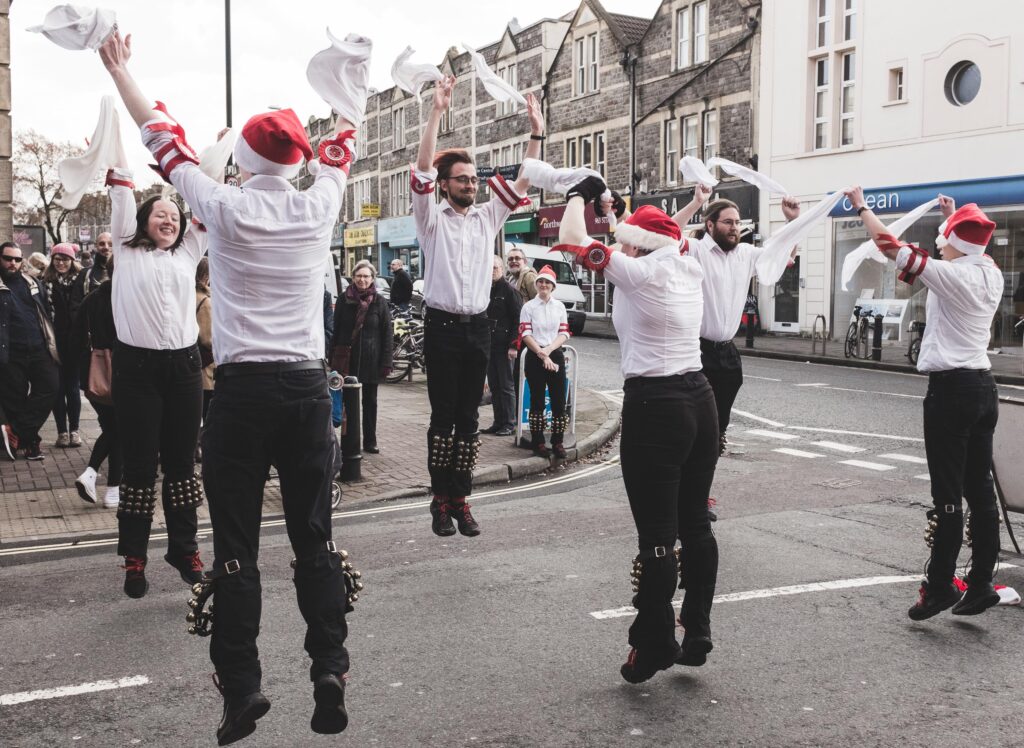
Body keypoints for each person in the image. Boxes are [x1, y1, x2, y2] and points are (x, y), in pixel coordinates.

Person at [100, 28, 358, 743]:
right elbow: (345, 136)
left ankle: (241, 688)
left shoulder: (222, 203)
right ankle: (329, 667)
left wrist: (123, 72)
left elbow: (165, 138)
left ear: (241, 161)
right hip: (308, 392)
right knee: (314, 539)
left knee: (237, 545)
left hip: (242, 395)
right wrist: (353, 76)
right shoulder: (321, 202)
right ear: (297, 162)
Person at [556, 182, 719, 683]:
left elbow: (569, 238)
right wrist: (684, 207)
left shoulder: (640, 272)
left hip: (656, 405)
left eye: (627, 241)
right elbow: (674, 232)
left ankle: (653, 645)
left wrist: (579, 195)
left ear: (638, 246)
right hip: (700, 399)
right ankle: (696, 628)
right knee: (695, 523)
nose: (621, 248)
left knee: (657, 537)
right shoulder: (688, 264)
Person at [846, 187, 1005, 620]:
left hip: (951, 392)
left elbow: (888, 245)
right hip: (983, 386)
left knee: (948, 495)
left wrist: (861, 206)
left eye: (945, 239)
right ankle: (982, 584)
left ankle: (938, 587)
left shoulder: (951, 276)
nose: (939, 244)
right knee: (981, 492)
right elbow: (954, 248)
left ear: (954, 244)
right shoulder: (989, 270)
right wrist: (950, 218)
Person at [412, 75, 544, 538]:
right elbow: (423, 167)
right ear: (445, 186)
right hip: (442, 327)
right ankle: (438, 500)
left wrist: (536, 132)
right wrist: (436, 113)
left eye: (474, 179)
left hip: (477, 329)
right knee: (442, 419)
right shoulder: (431, 219)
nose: (471, 184)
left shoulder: (489, 216)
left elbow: (526, 177)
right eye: (463, 179)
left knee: (469, 421)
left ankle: (461, 500)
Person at [666, 191, 800, 456]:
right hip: (696, 350)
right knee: (693, 425)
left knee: (718, 426)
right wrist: (695, 203)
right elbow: (667, 233)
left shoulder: (746, 254)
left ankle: (703, 483)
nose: (735, 227)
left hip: (727, 352)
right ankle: (691, 486)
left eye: (737, 222)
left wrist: (791, 222)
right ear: (710, 225)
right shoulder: (694, 251)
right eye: (728, 222)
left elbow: (783, 257)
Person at [0, 242, 60, 460]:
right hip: (10, 353)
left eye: (17, 259)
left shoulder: (32, 282)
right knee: (15, 397)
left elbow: (45, 310)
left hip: (39, 349)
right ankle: (30, 443)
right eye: (8, 258)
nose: (13, 263)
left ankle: (15, 432)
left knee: (50, 388)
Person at [72, 258, 122, 508]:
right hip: (124, 374)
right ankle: (110, 486)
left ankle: (96, 478)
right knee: (120, 431)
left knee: (113, 429)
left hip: (94, 377)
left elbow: (76, 336)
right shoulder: (128, 299)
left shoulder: (91, 299)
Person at [330, 260, 392, 454]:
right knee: (347, 402)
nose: (362, 280)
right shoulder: (343, 299)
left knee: (370, 402)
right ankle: (349, 440)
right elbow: (335, 328)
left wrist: (386, 362)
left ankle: (370, 441)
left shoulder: (380, 302)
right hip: (347, 358)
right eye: (359, 276)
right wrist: (331, 358)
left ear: (372, 279)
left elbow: (387, 334)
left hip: (371, 359)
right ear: (353, 277)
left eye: (366, 276)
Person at [518, 265, 570, 457]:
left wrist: (548, 352)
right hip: (534, 354)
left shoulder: (560, 307)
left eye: (547, 282)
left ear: (553, 286)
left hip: (554, 353)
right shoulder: (528, 307)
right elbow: (525, 334)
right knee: (537, 400)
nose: (543, 285)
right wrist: (541, 353)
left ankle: (558, 442)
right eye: (540, 281)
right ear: (536, 284)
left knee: (558, 402)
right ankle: (538, 442)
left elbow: (564, 333)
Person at [42, 243, 84, 448]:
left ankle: (74, 430)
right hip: (54, 342)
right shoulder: (46, 281)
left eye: (65, 259)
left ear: (72, 260)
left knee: (73, 388)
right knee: (57, 389)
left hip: (74, 342)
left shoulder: (80, 280)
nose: (61, 263)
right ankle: (61, 432)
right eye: (57, 259)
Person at [483, 255, 522, 436]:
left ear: (501, 269)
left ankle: (509, 423)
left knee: (506, 386)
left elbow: (518, 320)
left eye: (495, 268)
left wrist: (514, 345)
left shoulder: (510, 291)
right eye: (488, 268)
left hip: (505, 346)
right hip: (489, 344)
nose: (491, 271)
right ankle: (498, 422)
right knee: (495, 386)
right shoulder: (485, 289)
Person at [195, 257, 215, 459]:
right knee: (206, 412)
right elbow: (208, 338)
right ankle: (200, 447)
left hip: (192, 360)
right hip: (205, 366)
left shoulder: (188, 295)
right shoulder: (205, 301)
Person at [72, 231, 113, 313]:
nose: (106, 247)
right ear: (96, 246)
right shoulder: (85, 274)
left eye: (110, 244)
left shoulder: (124, 274)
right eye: (102, 244)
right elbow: (75, 306)